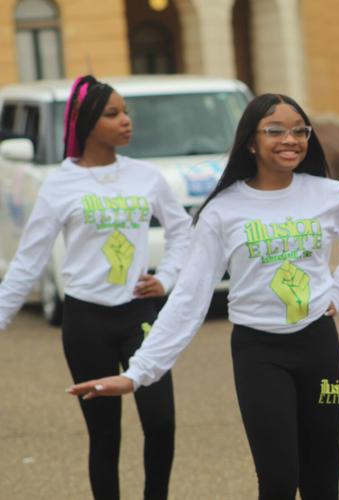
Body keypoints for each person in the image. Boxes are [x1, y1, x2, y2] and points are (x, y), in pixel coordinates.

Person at [68, 93, 339, 500]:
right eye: (275, 130)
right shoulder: (224, 209)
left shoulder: (326, 193)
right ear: (251, 142)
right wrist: (138, 373)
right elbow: (189, 297)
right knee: (277, 480)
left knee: (322, 481)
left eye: (299, 131)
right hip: (260, 352)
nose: (290, 139)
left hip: (318, 345)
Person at [0, 75, 192, 499]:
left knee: (161, 424)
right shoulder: (60, 184)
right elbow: (28, 260)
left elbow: (183, 231)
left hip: (140, 314)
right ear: (86, 122)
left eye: (125, 112)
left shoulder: (146, 177)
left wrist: (166, 279)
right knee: (105, 436)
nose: (126, 121)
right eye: (113, 114)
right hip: (86, 320)